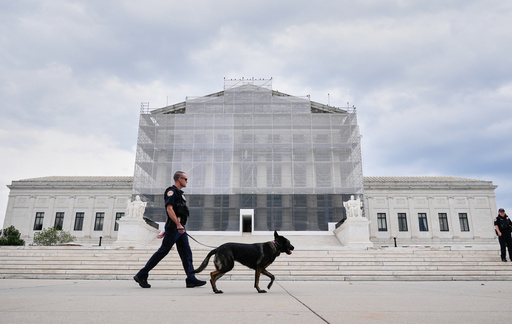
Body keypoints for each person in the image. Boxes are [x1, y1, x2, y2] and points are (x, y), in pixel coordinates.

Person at [133, 171, 206, 288]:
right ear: (179, 179)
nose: (187, 181)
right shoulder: (171, 191)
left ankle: (191, 278)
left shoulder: (180, 194)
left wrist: (166, 229)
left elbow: (174, 213)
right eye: (185, 179)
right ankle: (142, 274)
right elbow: (169, 209)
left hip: (179, 228)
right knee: (163, 251)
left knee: (186, 253)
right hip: (175, 227)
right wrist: (175, 226)